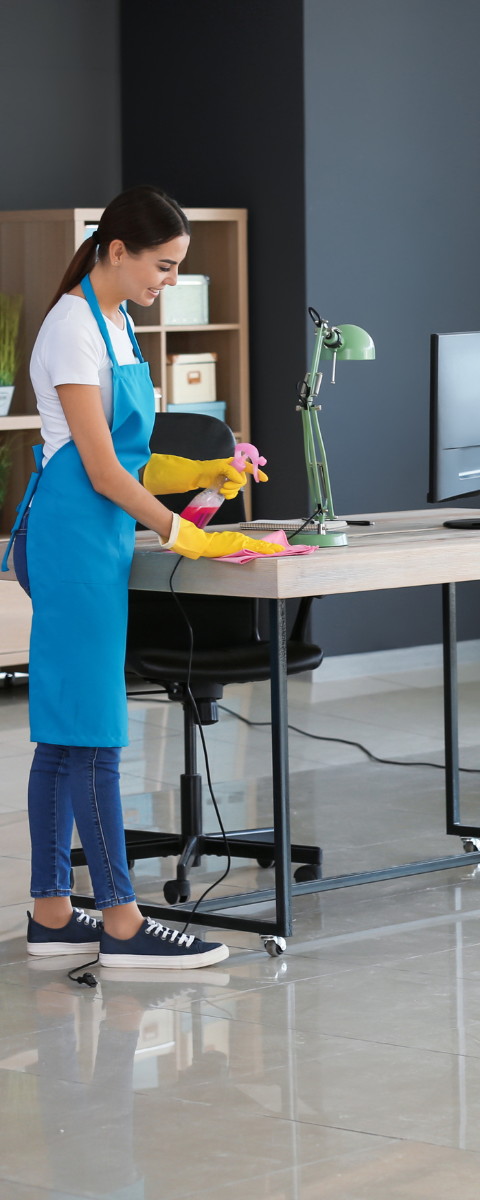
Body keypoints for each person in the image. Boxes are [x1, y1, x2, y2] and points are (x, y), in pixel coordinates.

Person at [16, 185, 285, 970]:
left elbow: (134, 456)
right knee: (94, 733)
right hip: (70, 540)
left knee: (65, 734)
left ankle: (51, 911)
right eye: (161, 266)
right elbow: (99, 469)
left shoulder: (119, 322)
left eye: (176, 270)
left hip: (95, 539)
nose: (166, 281)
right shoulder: (72, 329)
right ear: (116, 250)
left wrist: (205, 469)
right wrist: (178, 532)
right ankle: (124, 925)